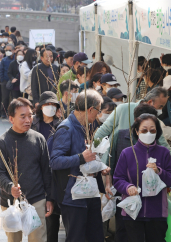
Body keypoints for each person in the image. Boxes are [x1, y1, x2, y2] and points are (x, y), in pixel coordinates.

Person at [50, 90, 109, 242]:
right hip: (73, 196)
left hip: (90, 193)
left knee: (96, 236)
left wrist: (99, 166)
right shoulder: (66, 128)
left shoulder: (85, 126)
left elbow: (87, 158)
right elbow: (55, 161)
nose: (98, 114)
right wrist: (81, 158)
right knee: (76, 238)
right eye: (98, 110)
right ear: (90, 109)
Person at [0, 97, 53, 242]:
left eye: (30, 115)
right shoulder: (2, 142)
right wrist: (10, 187)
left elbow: (46, 171)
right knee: (14, 239)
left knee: (38, 238)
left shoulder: (38, 139)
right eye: (23, 116)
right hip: (11, 202)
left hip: (36, 199)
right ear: (11, 119)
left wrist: (50, 198)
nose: (28, 120)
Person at [113, 113, 171, 242]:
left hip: (157, 213)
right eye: (144, 130)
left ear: (157, 131)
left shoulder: (163, 153)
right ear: (136, 131)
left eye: (152, 130)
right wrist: (128, 187)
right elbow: (118, 178)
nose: (148, 133)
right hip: (132, 212)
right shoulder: (127, 153)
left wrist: (159, 171)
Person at [94, 87, 171, 181]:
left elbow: (163, 143)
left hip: (139, 167)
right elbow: (103, 132)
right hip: (117, 163)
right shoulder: (123, 109)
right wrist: (93, 153)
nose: (161, 110)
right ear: (150, 102)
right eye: (160, 106)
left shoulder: (154, 120)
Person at [0, 44, 15, 119]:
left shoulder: (16, 59)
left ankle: (12, 113)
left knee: (14, 98)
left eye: (10, 50)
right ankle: (3, 112)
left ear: (14, 51)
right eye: (6, 50)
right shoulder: (4, 60)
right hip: (5, 81)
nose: (8, 52)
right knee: (5, 98)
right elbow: (1, 70)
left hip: (14, 81)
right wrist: (2, 80)